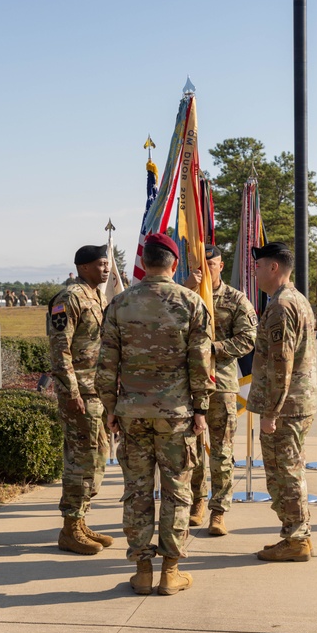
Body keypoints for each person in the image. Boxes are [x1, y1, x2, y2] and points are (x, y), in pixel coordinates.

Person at [96, 232, 214, 596]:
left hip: (131, 414)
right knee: (177, 491)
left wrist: (110, 409)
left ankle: (143, 570)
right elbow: (201, 362)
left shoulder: (119, 304)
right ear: (175, 264)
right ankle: (171, 572)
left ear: (144, 263)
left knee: (137, 491)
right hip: (176, 414)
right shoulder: (191, 303)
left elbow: (105, 365)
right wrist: (201, 408)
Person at [246, 242, 317, 562]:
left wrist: (270, 412)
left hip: (285, 407)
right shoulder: (292, 300)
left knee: (285, 473)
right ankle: (294, 534)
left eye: (259, 265)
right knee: (287, 471)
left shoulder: (282, 306)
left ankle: (297, 538)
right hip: (294, 402)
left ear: (274, 267)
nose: (255, 270)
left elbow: (281, 363)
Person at [185, 245, 257, 535]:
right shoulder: (185, 296)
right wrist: (186, 288)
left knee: (222, 451)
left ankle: (219, 510)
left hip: (221, 384)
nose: (205, 270)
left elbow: (249, 337)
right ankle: (197, 501)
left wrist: (213, 349)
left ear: (221, 266)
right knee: (191, 450)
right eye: (200, 265)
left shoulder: (235, 299)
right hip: (187, 384)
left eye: (211, 264)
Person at [49, 244, 113, 555]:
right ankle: (69, 528)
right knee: (80, 459)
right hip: (80, 394)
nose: (106, 269)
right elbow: (60, 349)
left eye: (107, 264)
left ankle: (81, 519)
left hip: (97, 391)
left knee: (97, 456)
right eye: (100, 264)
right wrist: (71, 392)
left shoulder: (97, 295)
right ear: (83, 267)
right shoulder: (69, 298)